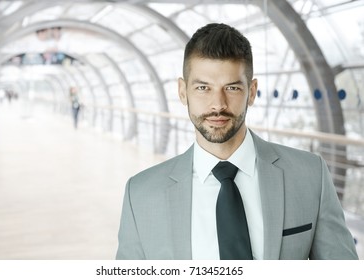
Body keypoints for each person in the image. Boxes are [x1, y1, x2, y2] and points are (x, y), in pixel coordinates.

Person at [116, 23, 358, 260]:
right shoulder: (141, 195)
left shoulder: (310, 175)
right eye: (203, 87)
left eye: (231, 88)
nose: (218, 104)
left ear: (251, 92)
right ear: (182, 91)